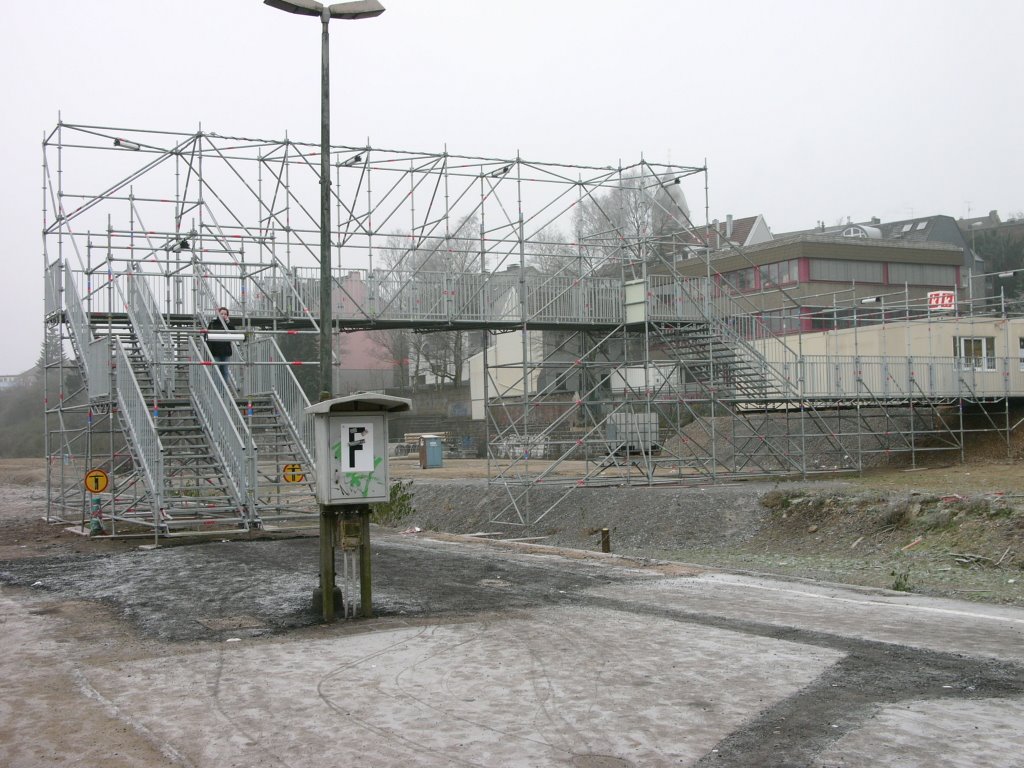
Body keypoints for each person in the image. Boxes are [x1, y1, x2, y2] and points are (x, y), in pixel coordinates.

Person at [205, 306, 235, 388]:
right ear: (218, 314)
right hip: (215, 352)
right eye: (221, 314)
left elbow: (234, 334)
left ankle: (224, 390)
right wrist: (209, 351)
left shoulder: (229, 324)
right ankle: (217, 390)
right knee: (216, 372)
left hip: (226, 352)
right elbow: (207, 336)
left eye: (225, 314)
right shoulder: (212, 324)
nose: (223, 315)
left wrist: (228, 323)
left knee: (225, 371)